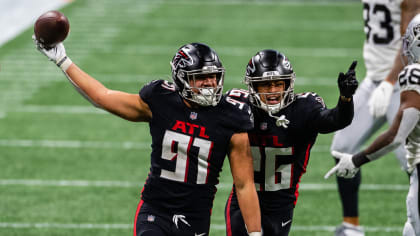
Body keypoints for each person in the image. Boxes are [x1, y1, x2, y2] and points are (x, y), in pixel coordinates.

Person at [33, 39, 263, 236]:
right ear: (181, 79)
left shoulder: (231, 116)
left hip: (195, 218)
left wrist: (254, 233)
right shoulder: (161, 101)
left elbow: (244, 184)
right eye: (200, 77)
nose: (210, 83)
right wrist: (62, 60)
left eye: (213, 76)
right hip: (155, 211)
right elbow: (102, 96)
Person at [224, 49, 358, 236]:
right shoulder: (238, 106)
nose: (273, 91)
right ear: (253, 87)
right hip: (243, 199)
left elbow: (335, 120)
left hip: (281, 204)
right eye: (265, 85)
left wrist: (346, 99)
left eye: (278, 84)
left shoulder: (303, 109)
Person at [330, 0, 420, 235]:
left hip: (402, 82)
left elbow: (410, 41)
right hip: (373, 80)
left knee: (412, 162)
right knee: (342, 147)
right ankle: (351, 226)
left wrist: (389, 83)